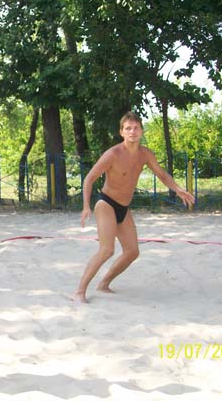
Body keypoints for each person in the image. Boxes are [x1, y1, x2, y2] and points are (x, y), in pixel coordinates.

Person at [74, 112, 195, 304]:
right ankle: (80, 292)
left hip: (124, 207)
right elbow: (89, 178)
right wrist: (85, 206)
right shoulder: (113, 154)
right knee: (107, 250)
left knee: (132, 252)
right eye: (128, 128)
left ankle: (103, 284)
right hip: (106, 203)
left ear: (142, 131)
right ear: (121, 132)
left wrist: (178, 189)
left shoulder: (145, 154)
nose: (132, 131)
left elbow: (162, 174)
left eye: (136, 128)